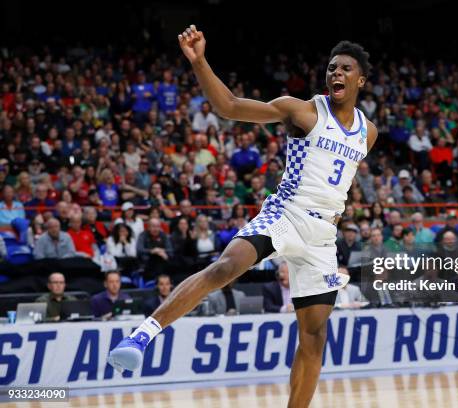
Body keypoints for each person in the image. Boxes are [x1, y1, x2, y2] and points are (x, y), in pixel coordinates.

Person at [109, 27, 377, 408]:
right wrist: (199, 61)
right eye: (332, 67)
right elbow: (230, 107)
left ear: (360, 80)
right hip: (287, 213)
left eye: (346, 69)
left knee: (314, 338)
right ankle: (142, 335)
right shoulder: (301, 109)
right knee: (225, 267)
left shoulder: (368, 133)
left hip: (322, 237)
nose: (336, 73)